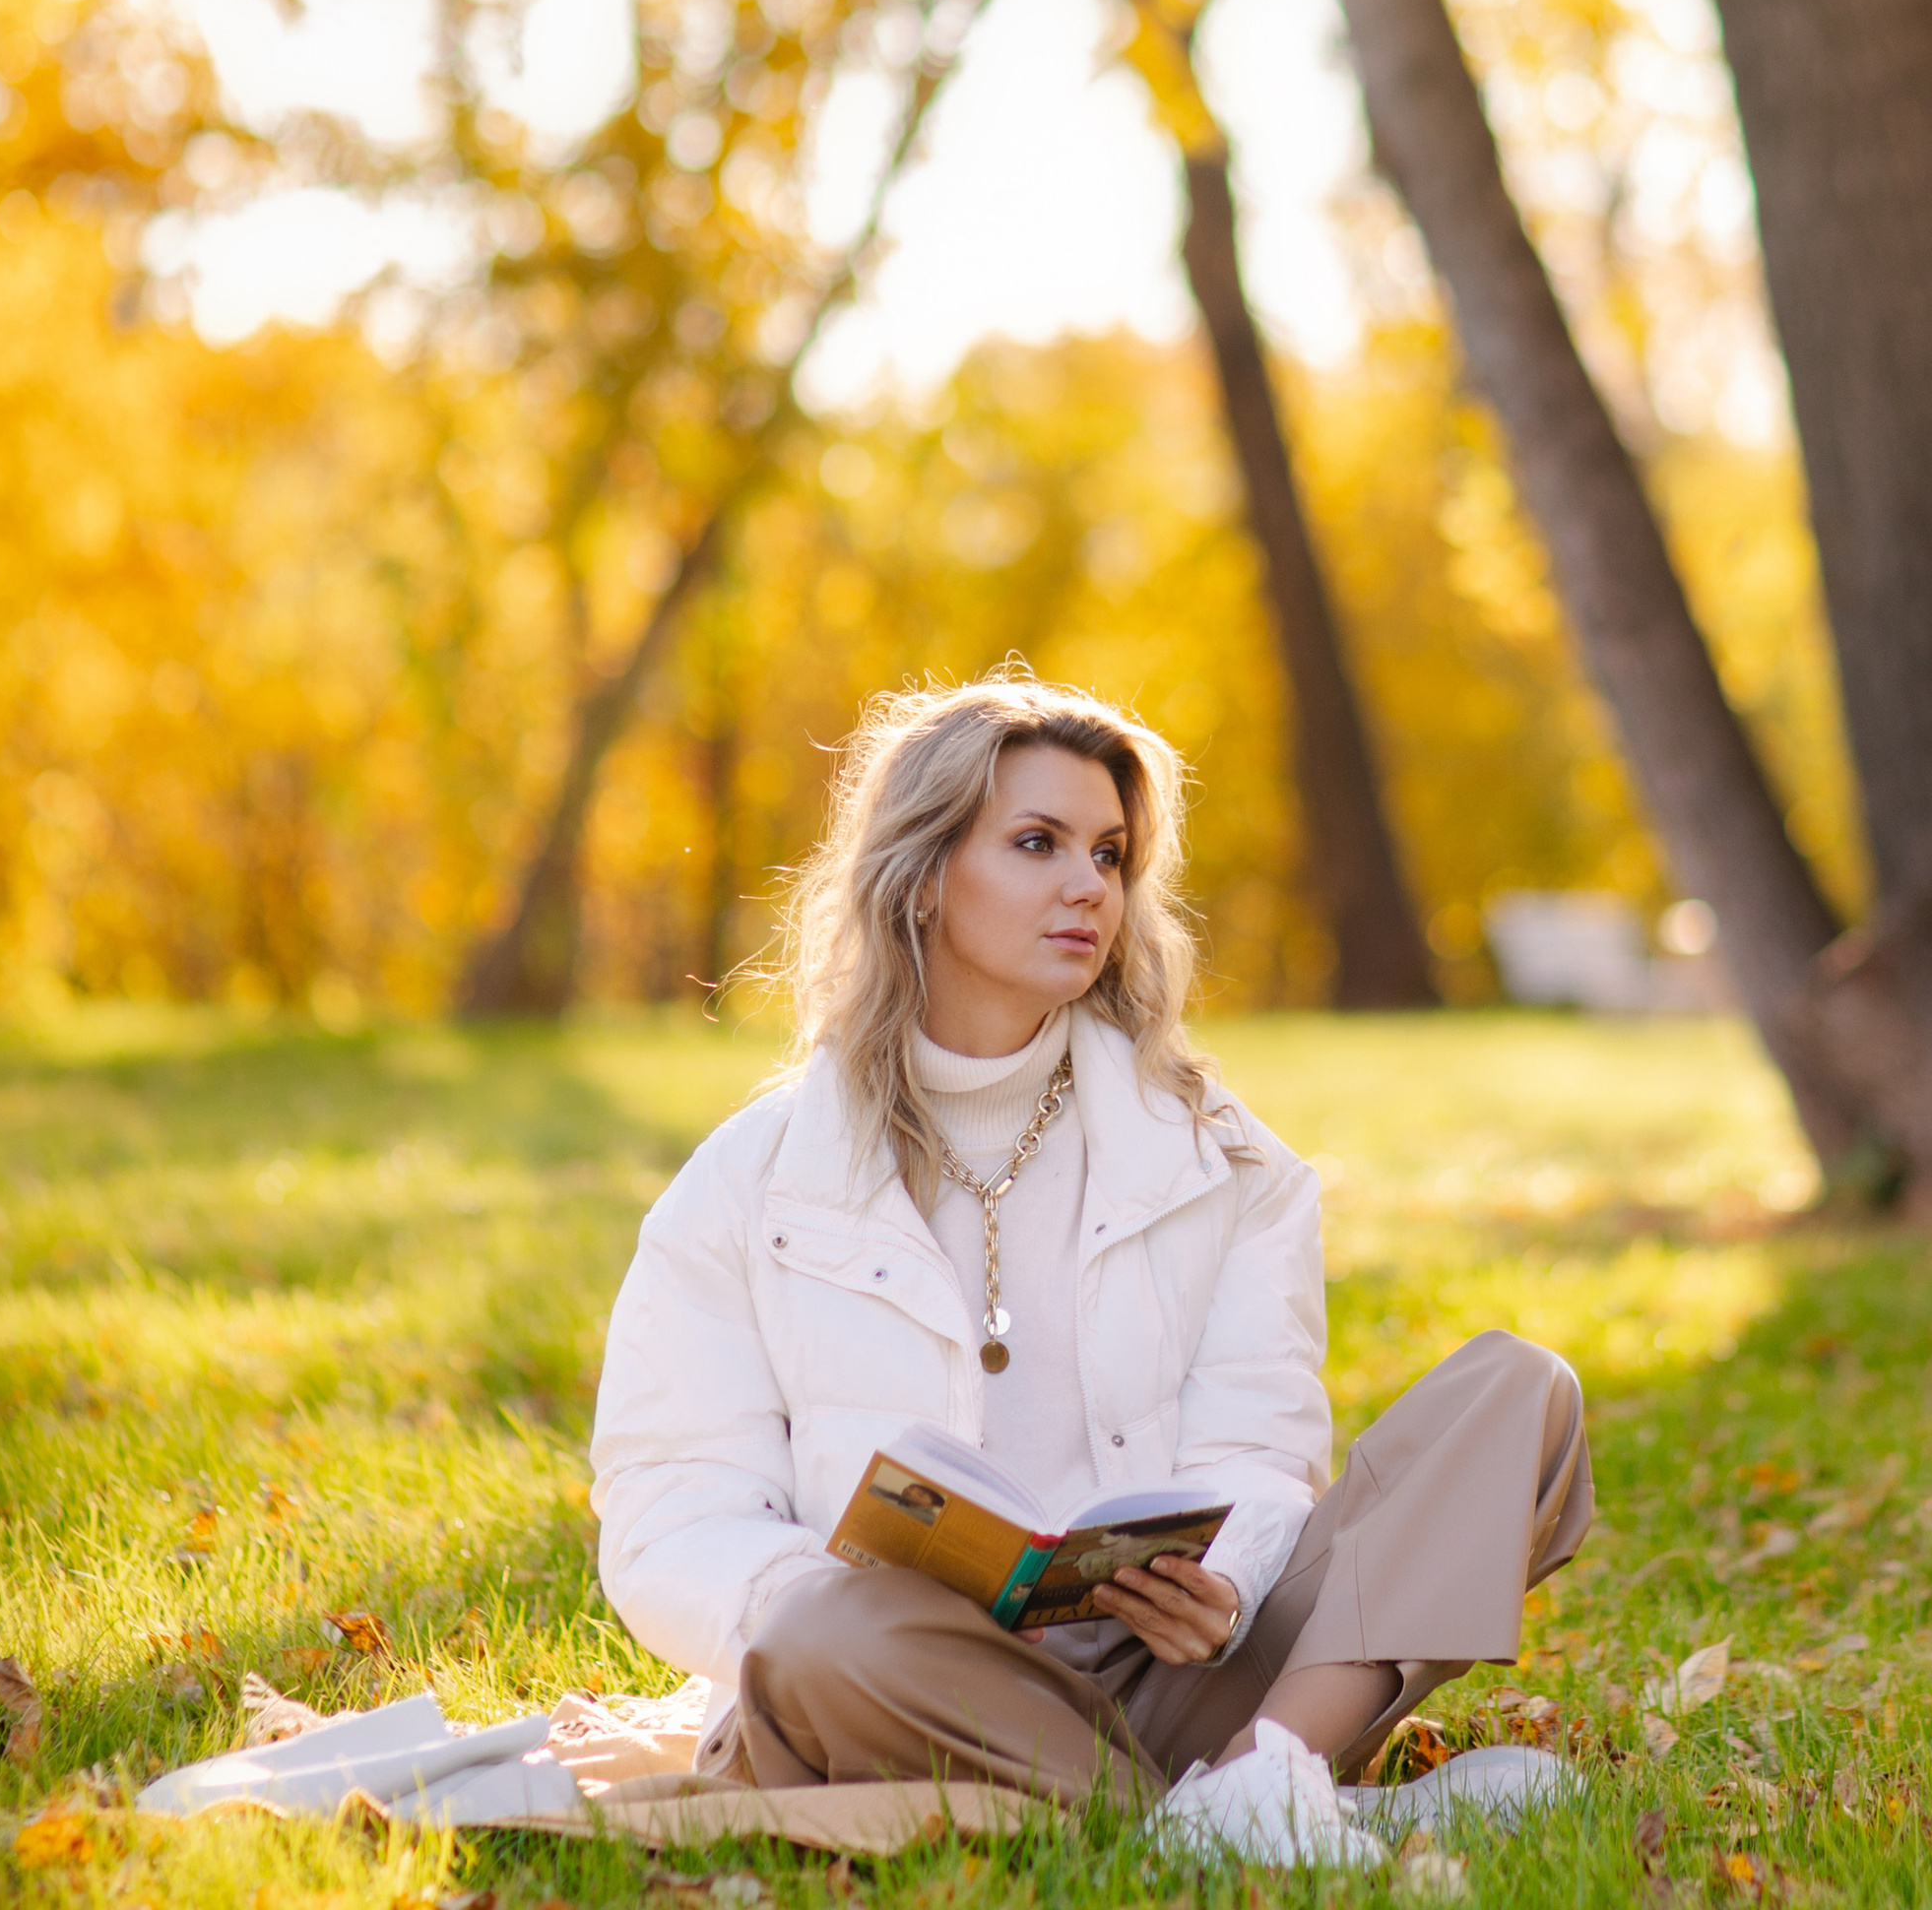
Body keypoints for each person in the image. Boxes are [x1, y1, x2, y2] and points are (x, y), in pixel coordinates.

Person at [589, 674, 1594, 1803]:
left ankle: (1254, 1778)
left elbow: (1256, 1450)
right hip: (904, 1678)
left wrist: (1222, 1576)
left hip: (1180, 1673)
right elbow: (669, 1508)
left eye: (1110, 854)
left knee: (1521, 1395)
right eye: (1037, 842)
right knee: (819, 1630)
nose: (1088, 887)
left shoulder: (1224, 1162)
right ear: (922, 878)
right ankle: (1238, 1809)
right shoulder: (749, 1181)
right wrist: (800, 1590)